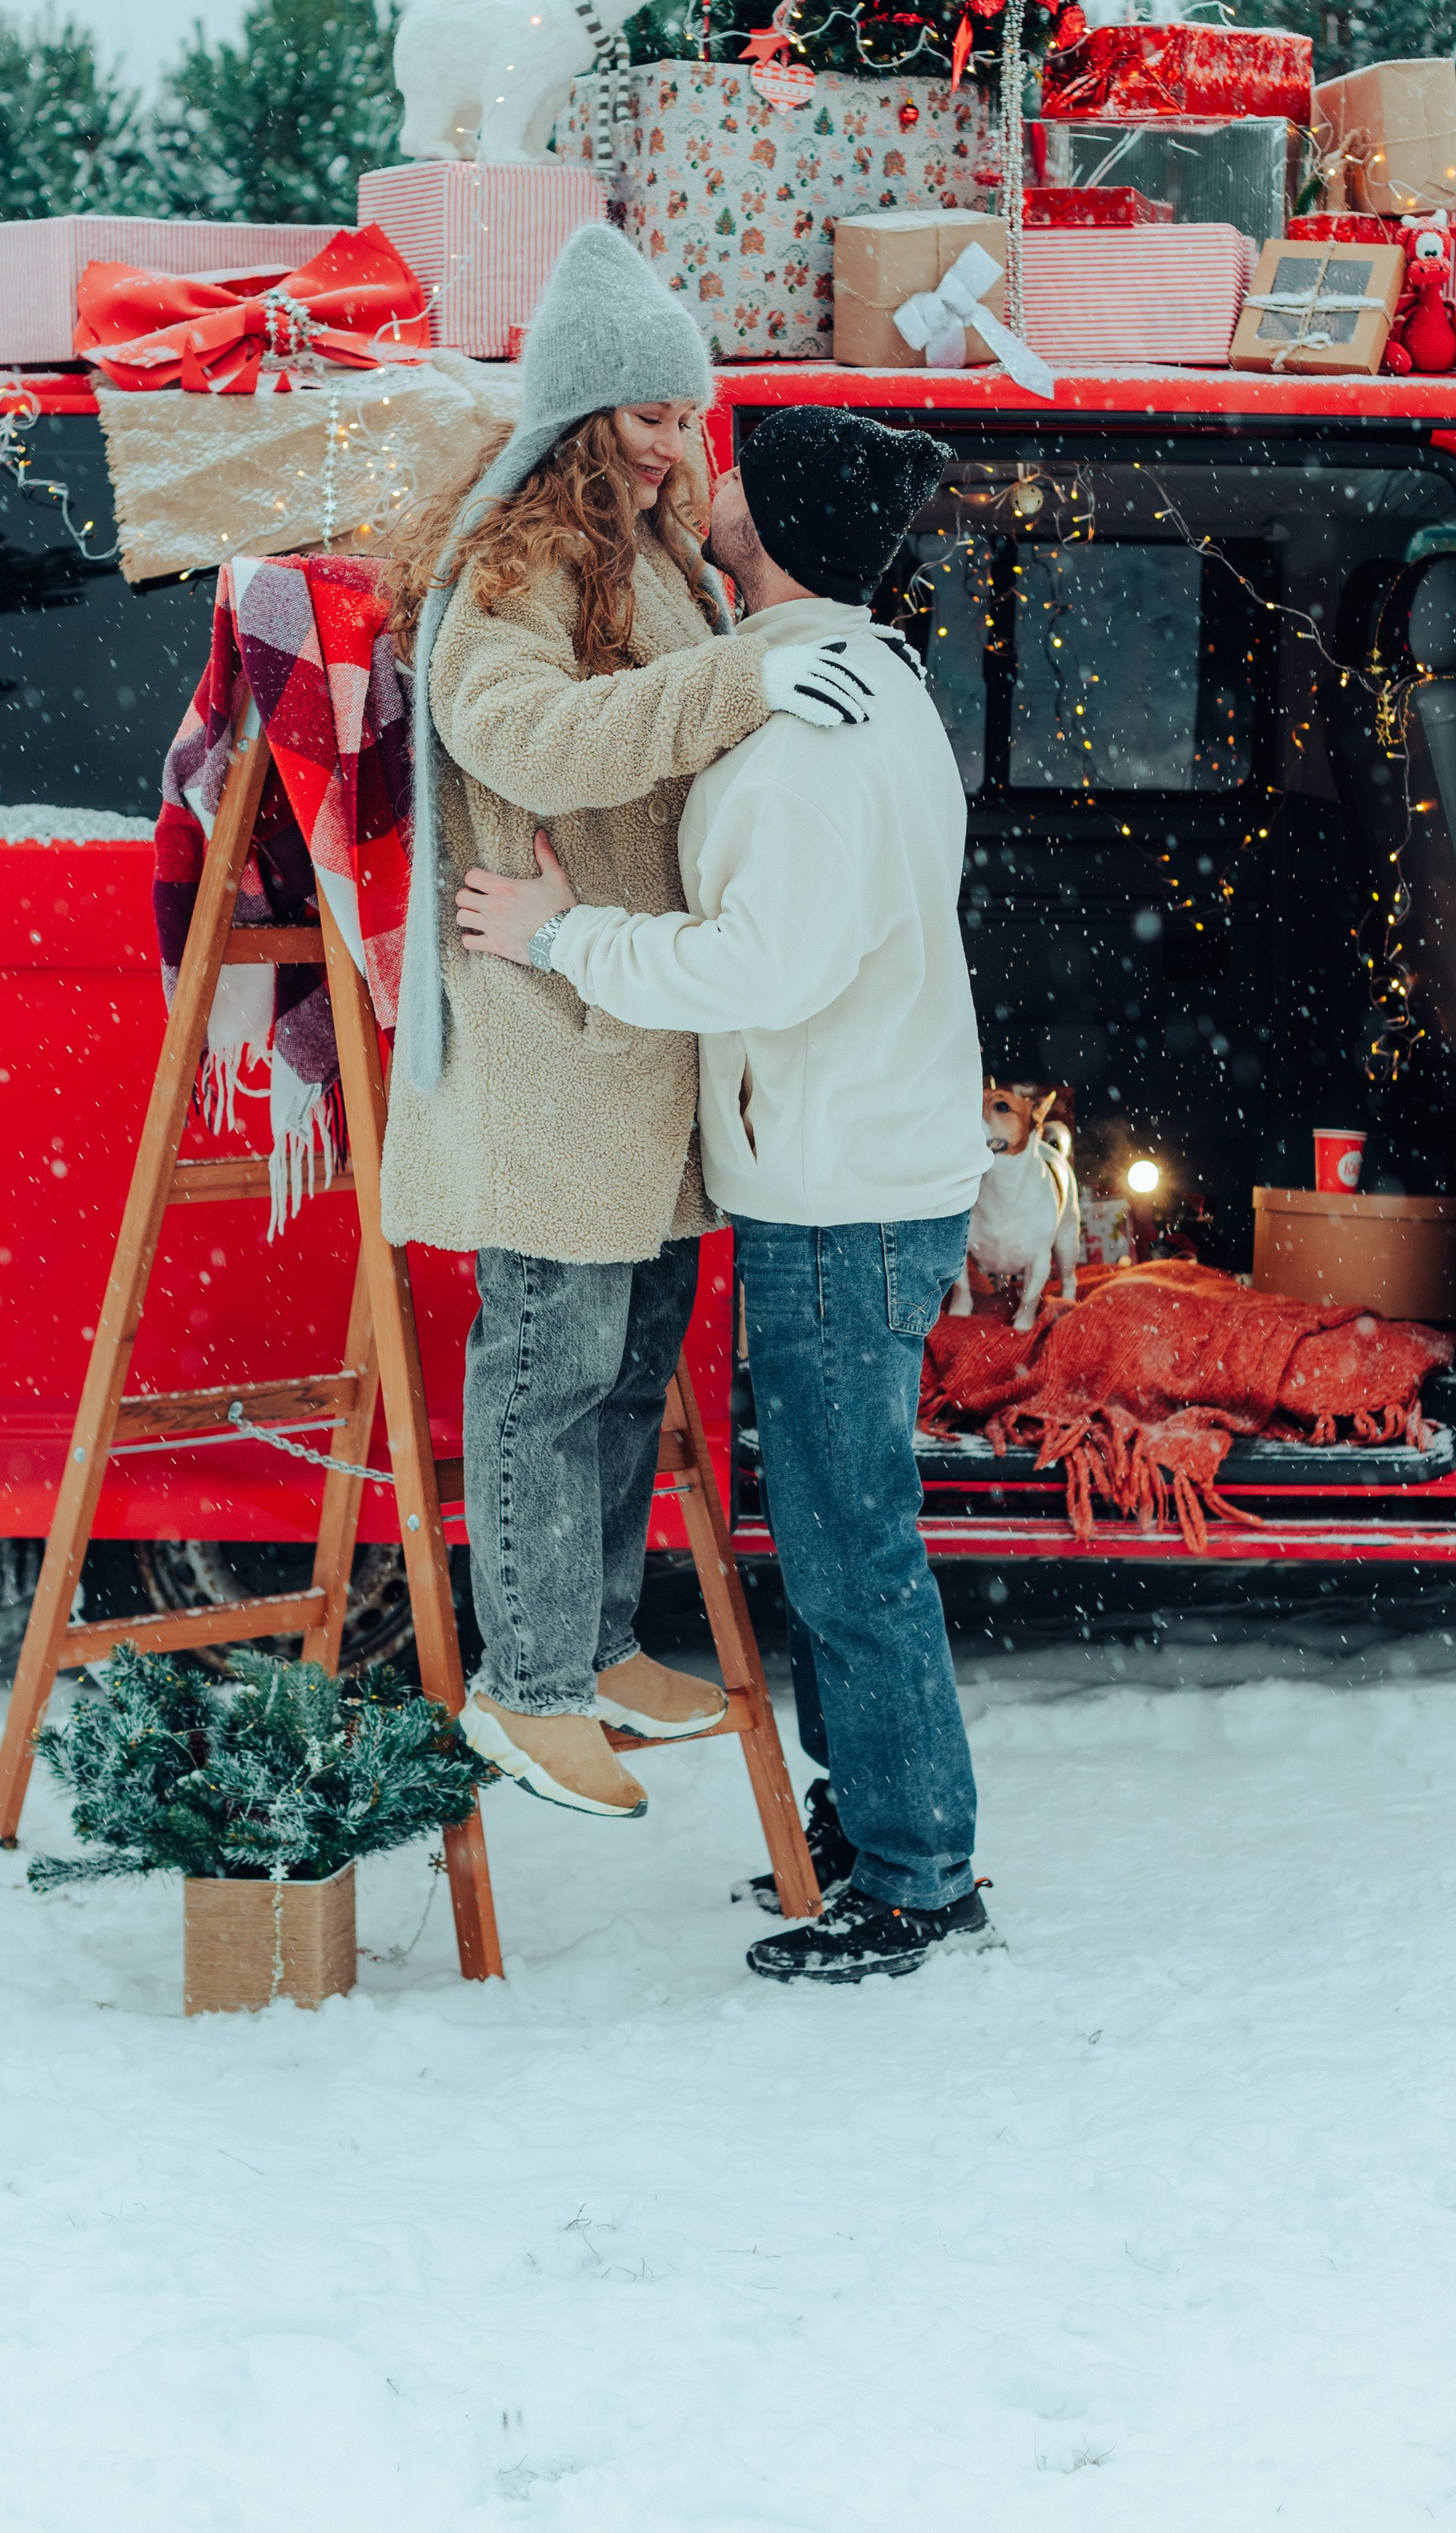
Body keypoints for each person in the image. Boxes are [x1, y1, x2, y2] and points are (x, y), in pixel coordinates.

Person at [456, 406, 995, 1983]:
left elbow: (764, 964)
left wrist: (562, 938)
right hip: (855, 1168)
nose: (708, 484)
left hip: (837, 1194)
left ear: (779, 532)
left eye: (740, 480)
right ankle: (872, 1832)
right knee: (836, 1533)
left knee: (848, 1547)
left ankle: (915, 1877)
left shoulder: (812, 733)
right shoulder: (852, 680)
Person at [380, 230, 883, 1822]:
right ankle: (525, 1689)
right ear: (582, 414)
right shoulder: (512, 563)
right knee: (550, 1365)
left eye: (688, 414)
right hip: (552, 1036)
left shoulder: (652, 549)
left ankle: (593, 1644)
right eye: (651, 415)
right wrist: (739, 686)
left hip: (637, 1030)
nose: (677, 443)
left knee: (625, 1363)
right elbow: (517, 735)